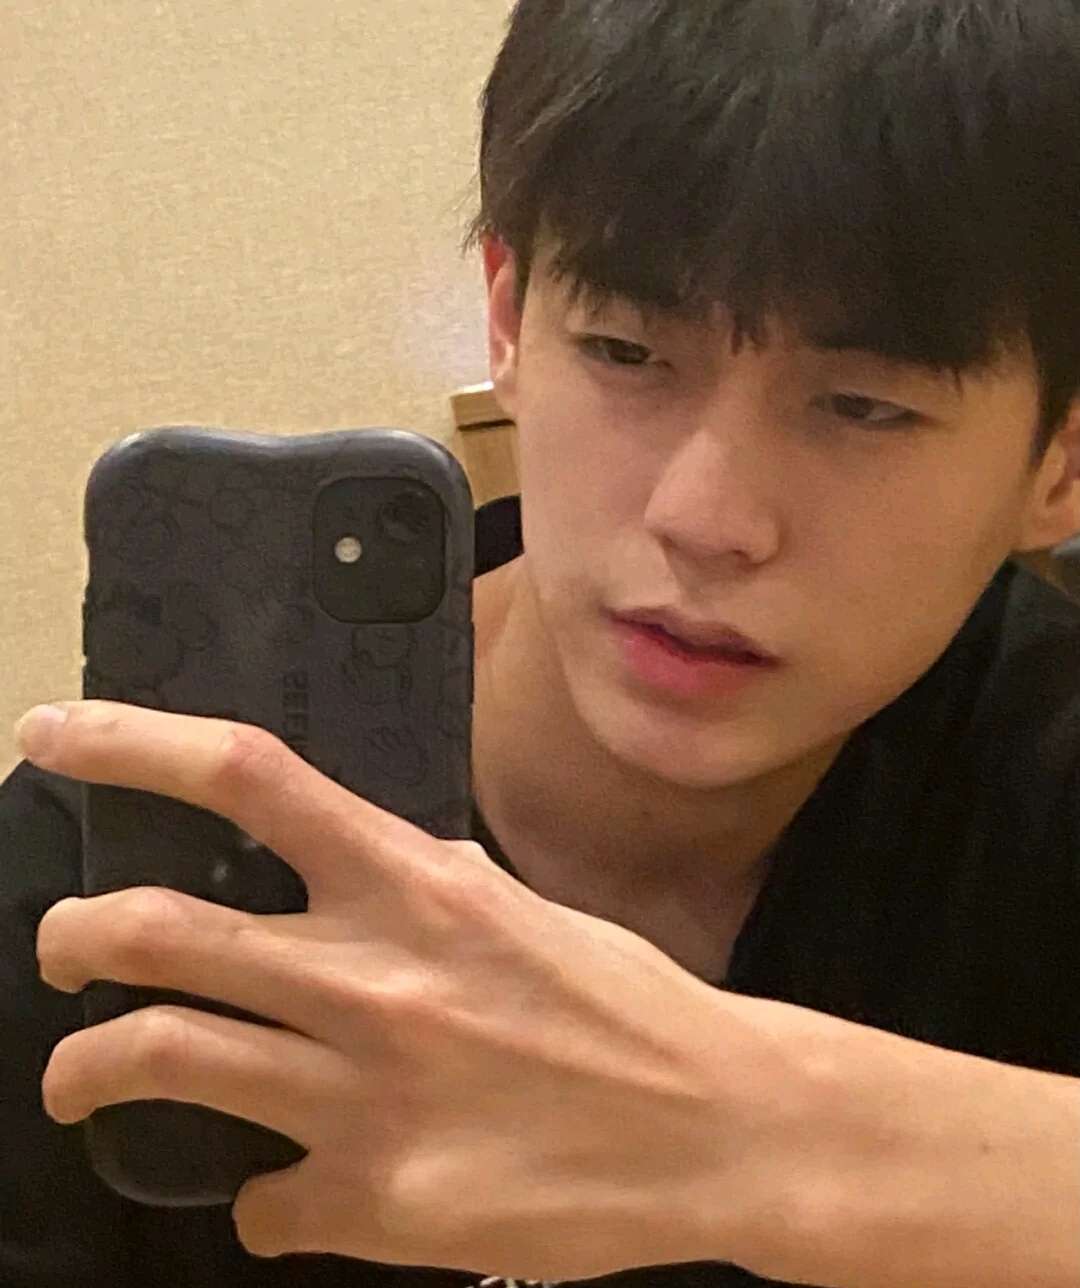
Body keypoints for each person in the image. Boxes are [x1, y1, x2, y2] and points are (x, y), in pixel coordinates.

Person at [4, 1, 1080, 1285]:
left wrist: (747, 1129)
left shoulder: (1044, 778)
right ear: (509, 320)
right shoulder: (110, 871)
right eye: (625, 351)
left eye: (863, 406)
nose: (704, 517)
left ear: (1062, 463)